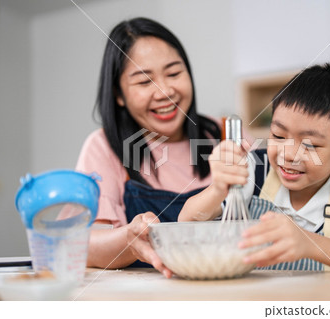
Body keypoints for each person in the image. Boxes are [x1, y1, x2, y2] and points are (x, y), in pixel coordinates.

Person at [179, 63, 330, 272]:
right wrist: (218, 189)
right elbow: (187, 220)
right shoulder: (253, 170)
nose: (288, 154)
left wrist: (308, 243)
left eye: (310, 145)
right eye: (278, 136)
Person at [73, 17, 225, 275]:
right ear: (118, 94)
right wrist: (128, 239)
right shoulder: (104, 146)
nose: (164, 92)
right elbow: (79, 245)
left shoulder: (224, 133)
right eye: (144, 82)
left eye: (174, 73)